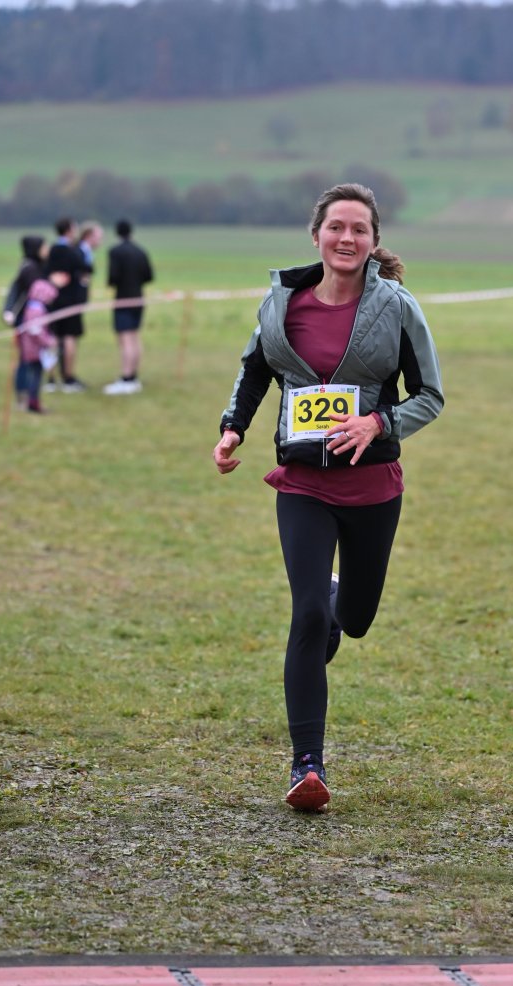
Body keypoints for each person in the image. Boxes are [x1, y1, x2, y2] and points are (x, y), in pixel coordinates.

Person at [212, 182, 444, 811]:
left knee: (354, 619)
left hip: (372, 489)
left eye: (359, 229)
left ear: (373, 241)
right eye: (336, 226)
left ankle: (343, 600)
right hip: (303, 485)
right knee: (308, 615)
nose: (346, 238)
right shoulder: (282, 303)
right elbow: (256, 368)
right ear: (316, 235)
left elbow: (429, 395)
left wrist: (379, 423)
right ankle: (306, 767)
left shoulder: (397, 308)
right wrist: (233, 428)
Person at [104, 219, 154, 395]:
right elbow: (149, 276)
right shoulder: (141, 251)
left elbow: (113, 277)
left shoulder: (115, 252)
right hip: (138, 298)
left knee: (125, 339)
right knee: (134, 336)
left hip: (123, 299)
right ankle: (133, 375)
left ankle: (126, 378)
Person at [1, 235, 48, 406]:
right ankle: (24, 396)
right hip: (28, 320)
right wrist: (8, 311)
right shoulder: (30, 269)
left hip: (31, 320)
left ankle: (28, 396)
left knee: (30, 358)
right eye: (44, 247)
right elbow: (16, 291)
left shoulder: (33, 265)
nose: (47, 250)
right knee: (27, 359)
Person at [17, 269, 70, 414]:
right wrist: (48, 341)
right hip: (34, 350)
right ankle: (33, 402)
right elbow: (36, 331)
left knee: (35, 375)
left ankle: (32, 400)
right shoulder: (36, 310)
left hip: (33, 348)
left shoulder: (33, 307)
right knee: (35, 375)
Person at [45, 217, 88, 392]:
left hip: (53, 300)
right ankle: (68, 378)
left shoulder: (52, 250)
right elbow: (86, 269)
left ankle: (50, 379)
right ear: (69, 230)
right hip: (71, 300)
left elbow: (46, 272)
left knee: (52, 338)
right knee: (69, 338)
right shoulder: (73, 251)